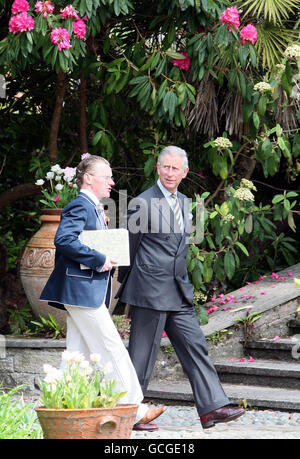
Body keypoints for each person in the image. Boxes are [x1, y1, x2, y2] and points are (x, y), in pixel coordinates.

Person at [117, 146, 245, 429]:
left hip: (178, 290)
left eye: (175, 169)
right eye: (165, 167)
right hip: (149, 290)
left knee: (195, 344)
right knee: (142, 354)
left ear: (185, 172)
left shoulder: (186, 202)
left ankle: (212, 408)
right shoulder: (142, 202)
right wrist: (130, 285)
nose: (170, 173)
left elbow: (180, 250)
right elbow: (128, 249)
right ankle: (129, 414)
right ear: (157, 168)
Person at [40, 155, 166, 430]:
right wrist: (99, 259)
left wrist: (106, 254)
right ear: (89, 178)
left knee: (77, 355)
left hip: (84, 290)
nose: (112, 182)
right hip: (80, 291)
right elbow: (63, 240)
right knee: (112, 347)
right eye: (106, 176)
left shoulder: (93, 207)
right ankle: (135, 409)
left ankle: (58, 406)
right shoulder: (80, 205)